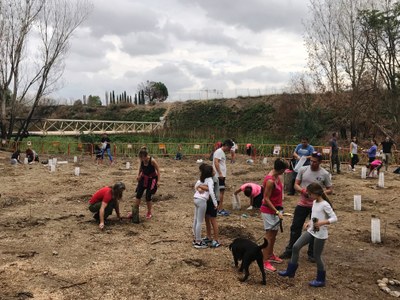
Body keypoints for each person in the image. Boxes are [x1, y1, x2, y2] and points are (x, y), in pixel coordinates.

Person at [278, 182, 337, 288]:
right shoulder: (314, 202)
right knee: (296, 247)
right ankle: (290, 271)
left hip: (320, 234)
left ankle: (320, 279)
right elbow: (314, 216)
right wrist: (308, 223)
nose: (308, 196)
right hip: (311, 230)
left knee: (317, 256)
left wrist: (322, 223)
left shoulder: (325, 204)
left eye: (310, 194)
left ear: (316, 193)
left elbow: (334, 218)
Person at [280, 151, 332, 261]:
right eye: (311, 161)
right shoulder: (303, 170)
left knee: (315, 228)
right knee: (295, 227)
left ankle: (312, 253)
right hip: (303, 204)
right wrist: (303, 191)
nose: (313, 163)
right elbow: (296, 184)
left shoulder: (324, 174)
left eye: (315, 162)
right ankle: (290, 250)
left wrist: (319, 194)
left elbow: (330, 189)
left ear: (320, 162)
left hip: (316, 206)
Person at [261, 158, 288, 272]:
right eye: (284, 169)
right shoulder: (270, 181)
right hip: (268, 210)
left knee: (274, 234)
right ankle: (264, 260)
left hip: (277, 209)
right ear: (280, 169)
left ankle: (270, 255)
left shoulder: (277, 177)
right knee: (269, 235)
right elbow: (266, 199)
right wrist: (276, 212)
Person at [192, 164, 218, 249]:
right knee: (200, 221)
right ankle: (198, 242)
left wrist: (200, 187)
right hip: (202, 201)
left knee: (196, 220)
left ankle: (195, 238)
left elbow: (196, 186)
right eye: (213, 170)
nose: (215, 171)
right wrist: (215, 203)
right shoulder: (210, 180)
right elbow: (211, 192)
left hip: (195, 199)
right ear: (210, 173)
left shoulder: (201, 179)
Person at [133, 148, 160, 221]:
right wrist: (138, 175)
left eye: (142, 157)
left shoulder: (152, 161)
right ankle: (135, 211)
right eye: (140, 157)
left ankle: (149, 212)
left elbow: (158, 170)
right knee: (138, 194)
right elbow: (141, 169)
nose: (141, 159)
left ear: (146, 156)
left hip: (152, 179)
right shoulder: (142, 161)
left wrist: (158, 181)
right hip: (143, 178)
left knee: (148, 196)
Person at [212, 139, 234, 216]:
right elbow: (216, 162)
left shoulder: (221, 152)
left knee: (221, 192)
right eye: (230, 147)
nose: (230, 149)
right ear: (226, 145)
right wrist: (220, 173)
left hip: (221, 176)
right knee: (220, 192)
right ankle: (219, 209)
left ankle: (220, 208)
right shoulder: (219, 152)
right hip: (219, 176)